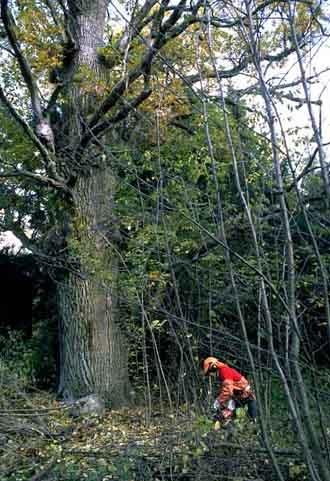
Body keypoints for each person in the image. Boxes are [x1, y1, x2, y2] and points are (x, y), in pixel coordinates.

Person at [203, 356, 257, 425]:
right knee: (227, 412)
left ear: (214, 367)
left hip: (244, 395)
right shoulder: (223, 372)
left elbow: (228, 390)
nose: (211, 375)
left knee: (225, 413)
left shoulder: (224, 371)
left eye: (209, 373)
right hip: (238, 395)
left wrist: (218, 402)